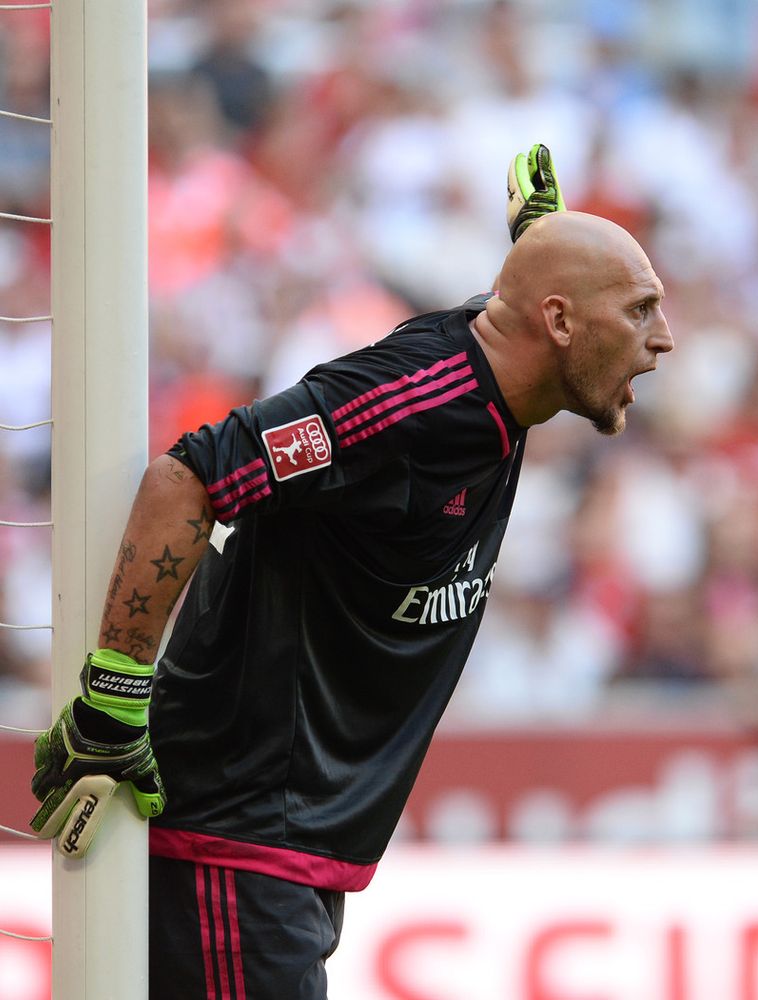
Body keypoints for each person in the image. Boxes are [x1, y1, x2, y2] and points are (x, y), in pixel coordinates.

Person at [28, 147, 673, 997]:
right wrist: (113, 701)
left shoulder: (508, 367)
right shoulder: (408, 405)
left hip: (290, 853)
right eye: (641, 312)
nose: (662, 340)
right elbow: (188, 477)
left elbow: (516, 305)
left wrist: (543, 236)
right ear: (559, 323)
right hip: (239, 839)